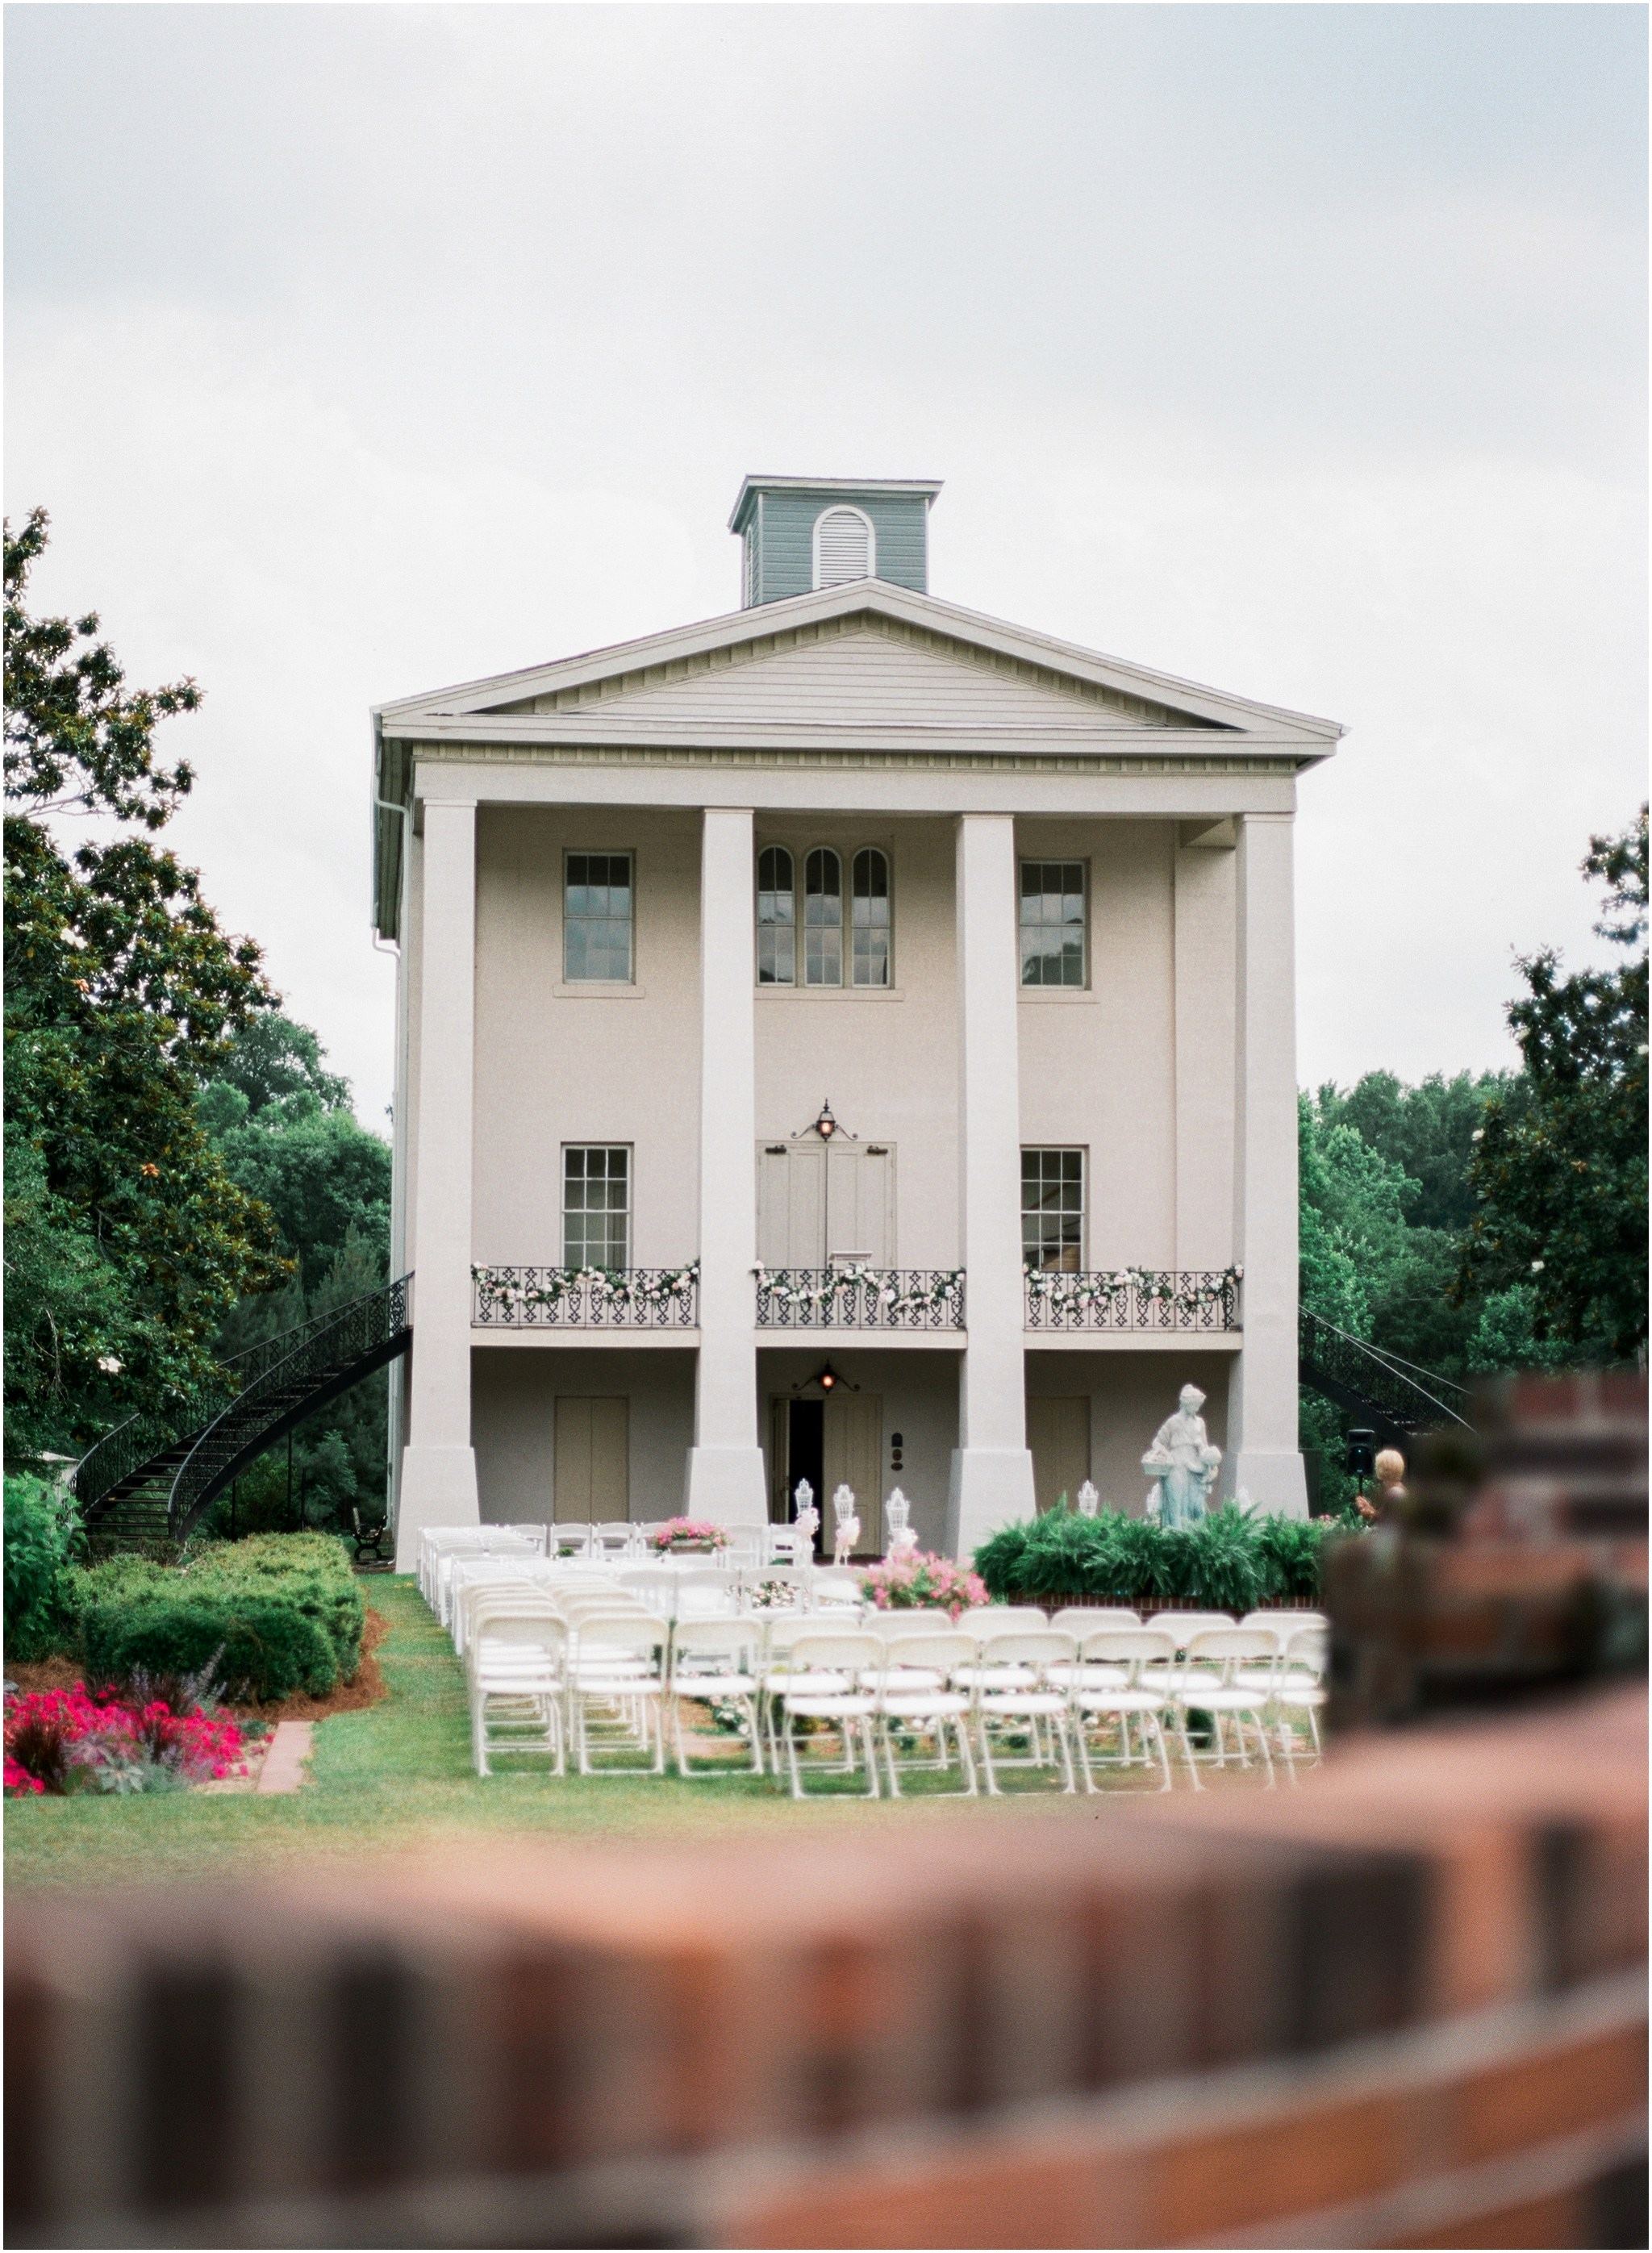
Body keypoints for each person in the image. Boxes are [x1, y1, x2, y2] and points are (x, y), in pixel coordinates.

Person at [1142, 1383, 1223, 1529]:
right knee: (1176, 1503)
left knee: (1196, 1507)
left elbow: (1204, 1448)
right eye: (1195, 1405)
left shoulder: (1200, 1423)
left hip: (1195, 1468)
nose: (1197, 1409)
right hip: (1176, 1466)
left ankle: (1194, 1540)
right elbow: (1158, 1442)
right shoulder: (1173, 1422)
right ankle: (1176, 1538)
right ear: (1186, 1403)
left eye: (1199, 1405)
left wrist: (1210, 1463)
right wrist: (1167, 1456)